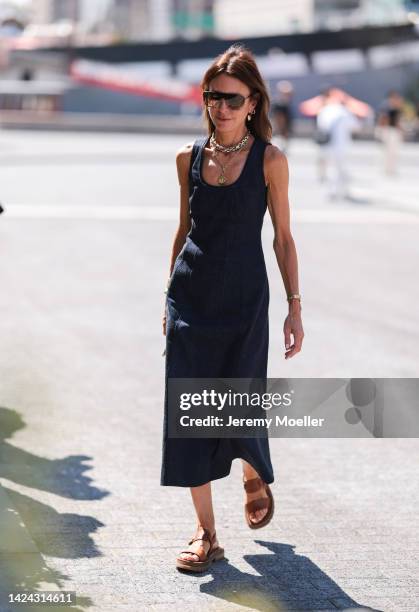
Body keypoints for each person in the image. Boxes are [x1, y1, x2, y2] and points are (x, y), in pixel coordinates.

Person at [160, 43, 304, 572]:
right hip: (191, 298)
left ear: (253, 102)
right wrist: (167, 299)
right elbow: (184, 230)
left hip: (245, 300)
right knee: (189, 410)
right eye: (212, 96)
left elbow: (283, 239)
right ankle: (206, 533)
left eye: (231, 98)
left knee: (239, 400)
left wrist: (294, 306)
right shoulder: (188, 158)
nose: (219, 106)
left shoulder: (270, 160)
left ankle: (252, 469)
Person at [315, 88, 360, 200]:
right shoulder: (344, 111)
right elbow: (356, 126)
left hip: (327, 145)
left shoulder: (325, 110)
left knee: (331, 168)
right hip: (342, 145)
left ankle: (332, 191)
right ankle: (344, 191)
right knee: (342, 168)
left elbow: (321, 126)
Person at [376, 90, 404, 176]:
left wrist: (401, 131)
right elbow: (383, 119)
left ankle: (391, 169)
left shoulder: (397, 108)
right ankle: (387, 169)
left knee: (394, 152)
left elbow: (398, 121)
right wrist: (380, 130)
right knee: (388, 151)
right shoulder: (387, 107)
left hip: (394, 131)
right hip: (389, 130)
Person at [271, 80, 294, 153]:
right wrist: (281, 130)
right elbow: (278, 118)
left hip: (284, 131)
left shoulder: (286, 103)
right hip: (280, 131)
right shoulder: (279, 104)